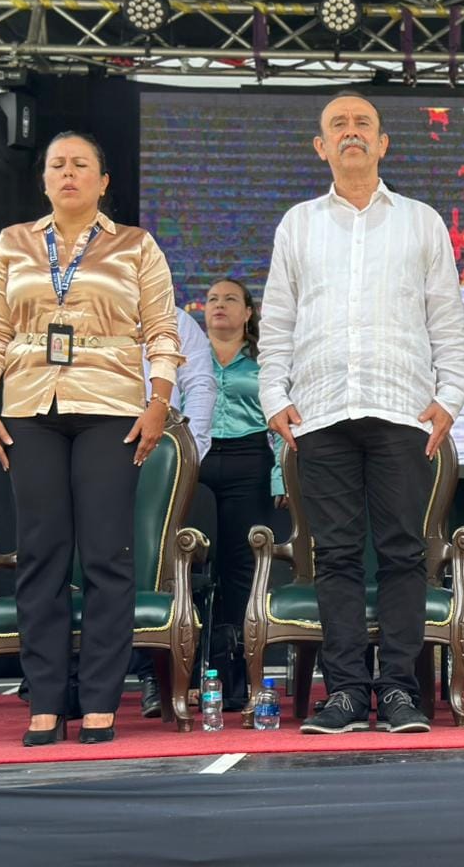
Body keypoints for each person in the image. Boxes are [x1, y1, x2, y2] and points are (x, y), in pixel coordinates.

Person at [260, 92, 464, 735]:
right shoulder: (298, 224)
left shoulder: (421, 222)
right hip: (321, 413)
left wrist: (451, 396)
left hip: (402, 411)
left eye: (363, 125)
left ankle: (401, 690)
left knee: (405, 554)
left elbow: (447, 321)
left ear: (383, 144)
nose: (351, 133)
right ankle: (348, 692)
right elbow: (277, 321)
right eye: (338, 125)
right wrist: (274, 396)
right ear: (321, 146)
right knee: (337, 556)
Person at [0, 131, 182, 745]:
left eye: (80, 164)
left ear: (102, 181)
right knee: (41, 552)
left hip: (111, 408)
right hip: (30, 407)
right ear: (44, 180)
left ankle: (100, 699)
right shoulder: (13, 242)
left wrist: (158, 403)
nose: (68, 173)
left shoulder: (136, 245)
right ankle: (45, 698)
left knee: (106, 554)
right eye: (57, 165)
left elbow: (162, 331)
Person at [202, 278, 284, 712]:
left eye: (231, 299)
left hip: (248, 461)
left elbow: (281, 420)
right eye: (213, 299)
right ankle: (180, 673)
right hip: (196, 462)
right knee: (192, 566)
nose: (220, 305)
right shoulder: (188, 357)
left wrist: (280, 477)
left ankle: (233, 674)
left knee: (240, 570)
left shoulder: (264, 361)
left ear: (248, 313)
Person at [131, 304, 217, 718]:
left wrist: (186, 452)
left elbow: (200, 385)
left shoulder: (177, 320)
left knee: (159, 568)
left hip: (161, 462)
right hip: (97, 449)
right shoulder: (83, 307)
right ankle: (71, 679)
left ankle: (157, 676)